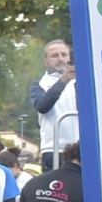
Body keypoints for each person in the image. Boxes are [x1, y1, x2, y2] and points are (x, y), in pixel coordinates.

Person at [28, 40, 77, 170]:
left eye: (64, 55)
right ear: (46, 61)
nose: (60, 59)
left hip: (81, 147)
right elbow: (42, 106)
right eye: (55, 56)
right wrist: (63, 81)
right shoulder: (39, 85)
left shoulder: (81, 79)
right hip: (55, 149)